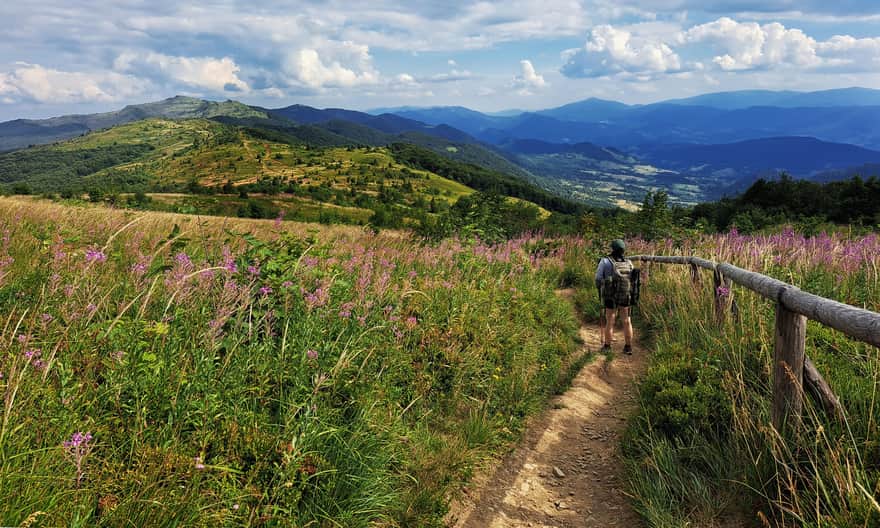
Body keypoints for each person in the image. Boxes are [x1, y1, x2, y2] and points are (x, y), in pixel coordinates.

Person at [595, 239, 635, 355]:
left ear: (612, 249)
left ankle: (607, 347)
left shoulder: (605, 261)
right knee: (627, 321)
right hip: (625, 295)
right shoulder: (629, 263)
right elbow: (633, 279)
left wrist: (599, 288)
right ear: (623, 250)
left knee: (610, 321)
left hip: (610, 295)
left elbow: (598, 278)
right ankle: (628, 347)